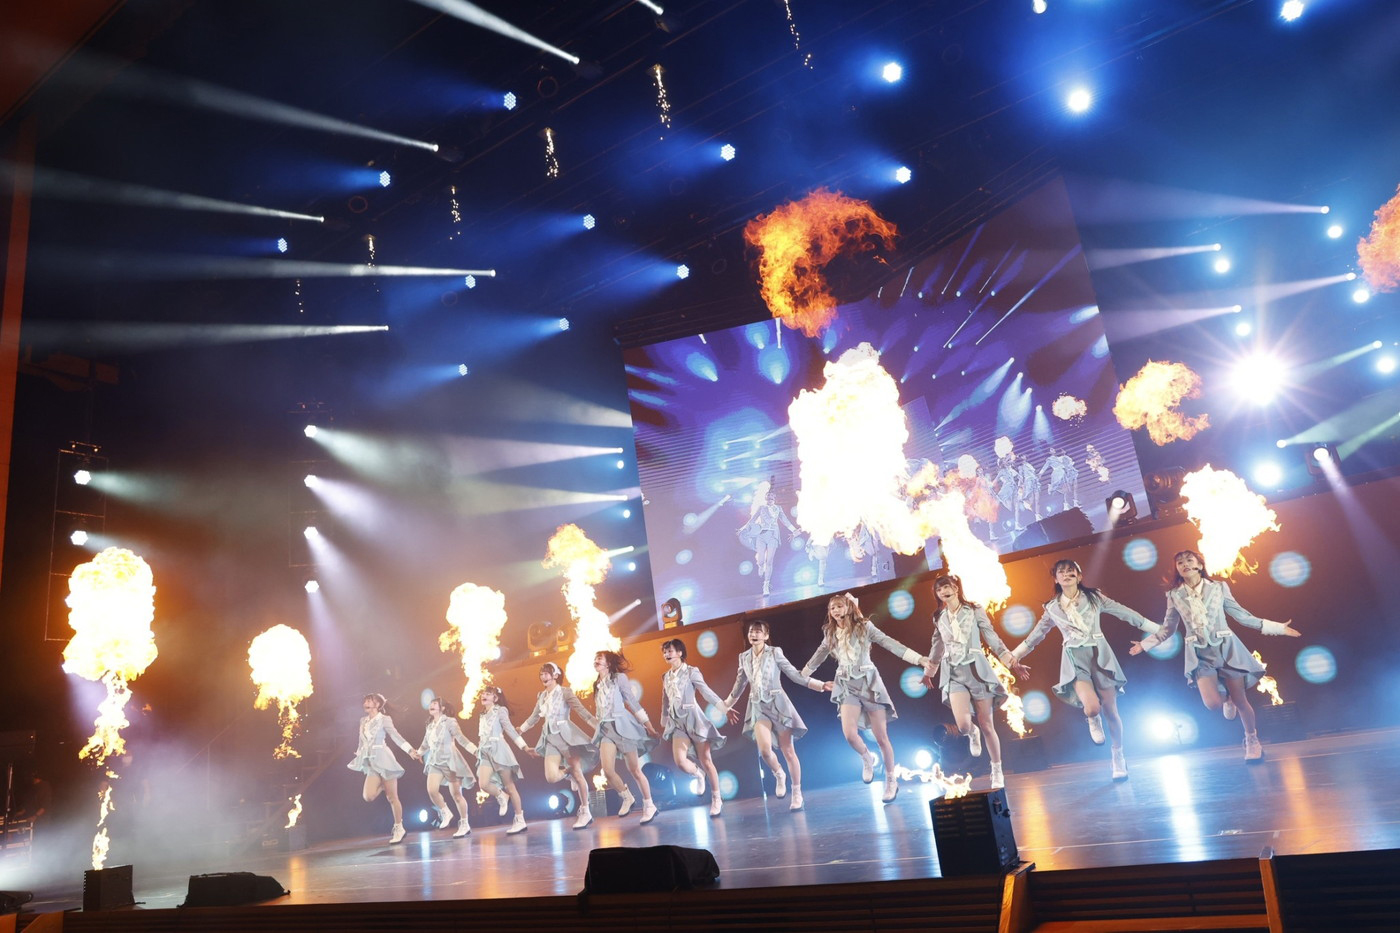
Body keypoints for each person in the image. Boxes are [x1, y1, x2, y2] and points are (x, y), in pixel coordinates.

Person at [1129, 549, 1301, 761]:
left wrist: (1278, 628)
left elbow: (1241, 615)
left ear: (1200, 565)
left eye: (1189, 560)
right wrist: (1145, 644)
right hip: (1200, 654)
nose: (1184, 564)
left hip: (1227, 649)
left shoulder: (1219, 587)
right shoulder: (1174, 595)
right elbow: (1168, 628)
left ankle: (1252, 740)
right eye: (1180, 562)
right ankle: (1226, 698)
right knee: (1212, 704)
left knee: (1241, 701)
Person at [1008, 560, 1160, 780]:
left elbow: (1124, 612)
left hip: (1100, 655)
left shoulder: (1095, 598)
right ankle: (1092, 718)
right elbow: (1036, 635)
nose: (1066, 574)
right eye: (1061, 572)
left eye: (1071, 571)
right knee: (1092, 708)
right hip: (1074, 658)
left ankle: (1117, 755)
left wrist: (1159, 631)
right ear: (1056, 578)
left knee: (1111, 711)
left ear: (1079, 576)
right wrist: (1014, 657)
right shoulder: (1052, 607)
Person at [801, 592, 933, 803]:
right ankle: (867, 757)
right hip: (846, 685)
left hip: (869, 683)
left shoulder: (864, 627)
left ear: (848, 607)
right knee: (849, 734)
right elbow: (819, 654)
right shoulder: (830, 633)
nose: (836, 611)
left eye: (839, 606)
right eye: (832, 608)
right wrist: (803, 674)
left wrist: (919, 659)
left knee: (881, 738)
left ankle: (891, 781)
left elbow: (890, 643)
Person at [926, 574, 1030, 791]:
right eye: (939, 589)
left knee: (987, 725)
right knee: (964, 727)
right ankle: (973, 733)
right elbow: (937, 646)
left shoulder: (974, 610)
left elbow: (992, 637)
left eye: (947, 587)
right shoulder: (939, 617)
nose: (943, 592)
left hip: (977, 671)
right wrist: (930, 671)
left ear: (956, 588)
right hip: (953, 673)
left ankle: (996, 769)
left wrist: (1012, 662)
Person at [721, 619, 829, 811]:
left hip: (779, 706)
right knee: (764, 751)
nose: (754, 634)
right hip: (758, 707)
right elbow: (739, 685)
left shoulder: (775, 652)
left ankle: (796, 793)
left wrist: (819, 685)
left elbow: (794, 674)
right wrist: (725, 706)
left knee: (788, 751)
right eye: (751, 631)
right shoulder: (744, 657)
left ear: (766, 635)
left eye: (758, 631)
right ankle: (779, 773)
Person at [517, 662, 600, 829]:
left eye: (547, 673)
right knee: (551, 777)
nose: (543, 676)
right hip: (549, 739)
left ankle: (585, 811)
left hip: (567, 738)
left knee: (578, 774)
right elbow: (534, 716)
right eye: (541, 674)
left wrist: (599, 727)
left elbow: (582, 712)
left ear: (555, 675)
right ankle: (569, 772)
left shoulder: (565, 692)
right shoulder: (542, 696)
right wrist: (521, 729)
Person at [659, 639, 728, 817]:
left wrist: (723, 706)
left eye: (670, 651)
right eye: (665, 652)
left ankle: (716, 798)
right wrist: (664, 718)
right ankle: (698, 774)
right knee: (680, 761)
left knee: (706, 760)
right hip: (677, 723)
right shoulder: (665, 676)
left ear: (680, 653)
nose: (667, 654)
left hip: (695, 719)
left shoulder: (691, 671)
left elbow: (705, 691)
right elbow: (665, 699)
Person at [590, 650, 661, 823]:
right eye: (595, 658)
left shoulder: (619, 678)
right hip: (606, 730)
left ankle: (649, 805)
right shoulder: (596, 684)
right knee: (607, 770)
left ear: (608, 663)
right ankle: (627, 797)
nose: (596, 661)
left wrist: (649, 726)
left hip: (623, 727)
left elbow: (631, 702)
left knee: (634, 770)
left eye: (599, 658)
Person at [347, 693, 415, 844]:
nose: (366, 703)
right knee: (368, 796)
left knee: (392, 798)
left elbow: (396, 736)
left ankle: (399, 828)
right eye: (365, 701)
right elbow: (361, 741)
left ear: (377, 704)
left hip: (384, 759)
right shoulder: (363, 721)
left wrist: (410, 750)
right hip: (371, 762)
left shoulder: (384, 719)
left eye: (369, 701)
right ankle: (385, 785)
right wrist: (359, 753)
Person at [409, 697, 478, 838]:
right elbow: (425, 744)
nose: (431, 705)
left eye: (435, 703)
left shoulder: (450, 721)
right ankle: (445, 811)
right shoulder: (430, 725)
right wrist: (418, 753)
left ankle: (464, 823)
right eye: (431, 704)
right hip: (434, 760)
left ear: (443, 708)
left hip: (450, 759)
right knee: (431, 790)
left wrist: (475, 750)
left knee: (456, 795)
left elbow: (460, 738)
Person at [475, 686, 529, 834]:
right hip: (485, 752)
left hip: (499, 750)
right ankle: (501, 795)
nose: (484, 695)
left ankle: (520, 820)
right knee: (483, 784)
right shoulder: (482, 714)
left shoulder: (500, 710)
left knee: (510, 787)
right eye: (483, 693)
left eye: (488, 694)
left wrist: (524, 747)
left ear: (495, 698)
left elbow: (510, 729)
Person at [738, 482, 798, 596]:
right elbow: (752, 520)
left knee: (769, 561)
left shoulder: (778, 509)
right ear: (766, 499)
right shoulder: (762, 508)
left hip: (773, 536)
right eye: (768, 498)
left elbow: (785, 520)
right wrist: (742, 529)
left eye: (771, 498)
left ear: (774, 499)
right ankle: (760, 566)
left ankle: (766, 585)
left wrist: (794, 530)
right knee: (761, 560)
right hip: (762, 535)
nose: (770, 500)